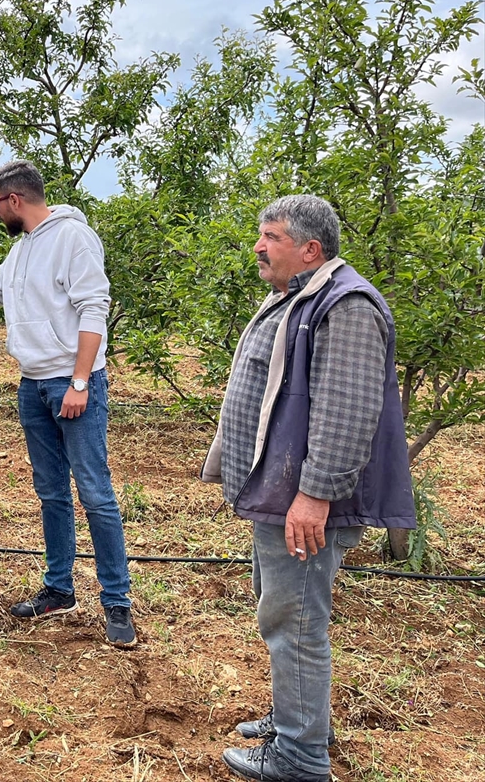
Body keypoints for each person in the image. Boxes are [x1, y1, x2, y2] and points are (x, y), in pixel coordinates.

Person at [202, 194, 416, 782]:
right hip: (283, 493)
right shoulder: (303, 296)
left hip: (304, 499)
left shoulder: (344, 305)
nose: (258, 247)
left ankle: (299, 754)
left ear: (310, 249)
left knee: (295, 619)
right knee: (283, 611)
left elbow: (346, 414)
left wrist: (314, 494)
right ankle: (293, 717)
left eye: (270, 236)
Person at [0, 160, 136, 648]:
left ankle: (117, 602)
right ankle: (59, 590)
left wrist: (80, 381)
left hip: (72, 384)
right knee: (51, 491)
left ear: (14, 200)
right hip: (32, 384)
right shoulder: (20, 251)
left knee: (94, 492)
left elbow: (94, 308)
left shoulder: (74, 238)